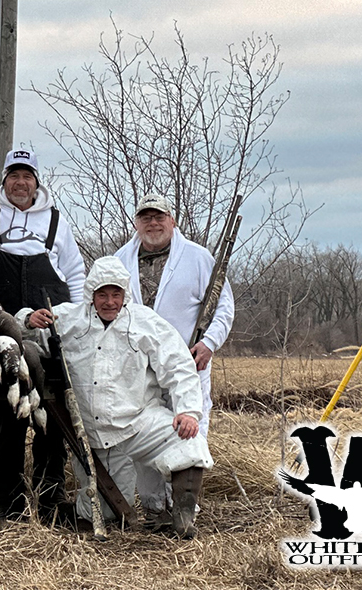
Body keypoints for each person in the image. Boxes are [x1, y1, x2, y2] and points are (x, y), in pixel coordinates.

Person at [21, 256, 213, 538]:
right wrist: (28, 320)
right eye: (102, 294)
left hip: (139, 422)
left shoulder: (146, 323)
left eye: (116, 294)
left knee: (189, 440)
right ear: (91, 294)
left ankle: (182, 518)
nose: (110, 302)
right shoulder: (67, 319)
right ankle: (75, 511)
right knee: (108, 515)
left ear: (125, 294)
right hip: (93, 436)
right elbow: (24, 332)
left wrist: (187, 411)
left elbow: (179, 365)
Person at [0, 148, 86, 524]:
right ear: (4, 181)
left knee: (54, 422)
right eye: (14, 176)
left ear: (37, 183)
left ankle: (50, 503)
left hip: (51, 341)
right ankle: (9, 506)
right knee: (9, 419)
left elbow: (75, 275)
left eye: (27, 176)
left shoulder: (56, 223)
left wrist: (74, 323)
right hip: (5, 341)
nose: (21, 183)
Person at [113, 193, 234, 527]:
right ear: (136, 223)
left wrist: (209, 344)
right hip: (139, 368)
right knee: (142, 433)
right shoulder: (120, 260)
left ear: (172, 220)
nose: (153, 223)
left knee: (189, 430)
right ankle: (155, 509)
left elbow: (224, 306)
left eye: (159, 217)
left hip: (189, 363)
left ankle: (184, 510)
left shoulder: (198, 258)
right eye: (146, 218)